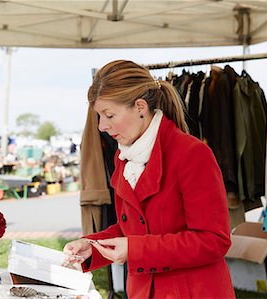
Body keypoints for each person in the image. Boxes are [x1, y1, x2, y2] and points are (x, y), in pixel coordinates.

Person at [64, 60, 234, 298]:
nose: (102, 126)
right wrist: (92, 246)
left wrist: (135, 250)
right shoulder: (123, 157)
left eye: (109, 115)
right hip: (143, 290)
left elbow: (213, 240)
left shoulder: (192, 154)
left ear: (140, 107)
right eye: (99, 116)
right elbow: (133, 228)